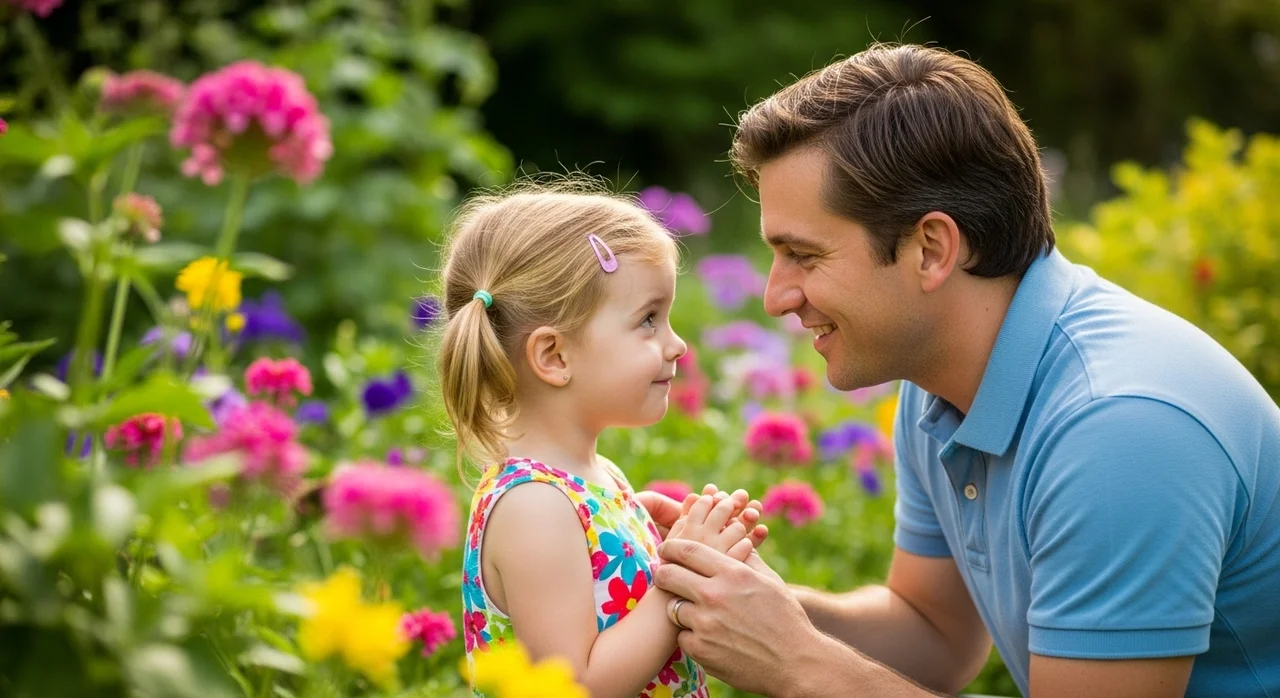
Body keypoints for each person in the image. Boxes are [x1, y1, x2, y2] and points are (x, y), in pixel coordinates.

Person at [641, 44, 1280, 697]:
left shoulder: (1118, 428)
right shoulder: (942, 384)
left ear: (933, 249)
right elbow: (934, 636)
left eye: (803, 255)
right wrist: (720, 593)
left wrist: (798, 662)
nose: (777, 296)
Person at [437, 185, 769, 698]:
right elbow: (578, 687)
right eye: (648, 320)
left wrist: (701, 559)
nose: (677, 343)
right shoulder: (534, 506)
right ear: (554, 356)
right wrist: (676, 581)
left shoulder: (597, 477)